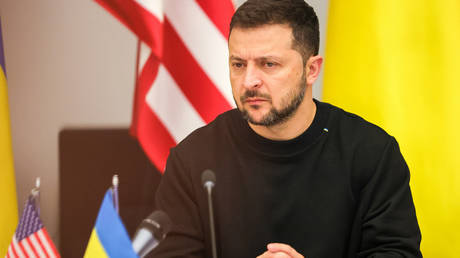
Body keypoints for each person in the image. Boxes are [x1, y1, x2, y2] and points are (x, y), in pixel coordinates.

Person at [151, 0, 422, 257]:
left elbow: (397, 252)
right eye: (238, 64)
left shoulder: (370, 153)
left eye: (269, 64)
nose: (249, 81)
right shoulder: (193, 160)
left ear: (312, 70)